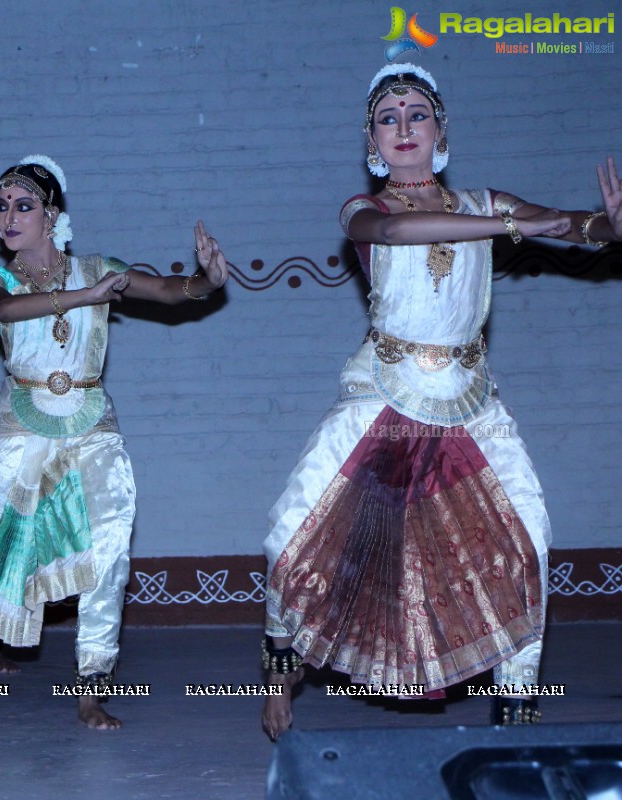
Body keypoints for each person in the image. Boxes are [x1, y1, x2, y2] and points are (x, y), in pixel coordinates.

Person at [260, 64, 622, 742]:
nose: (403, 126)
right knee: (288, 535)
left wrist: (607, 226)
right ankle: (280, 677)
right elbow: (396, 235)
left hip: (470, 400)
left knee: (528, 546)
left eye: (416, 113)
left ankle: (515, 718)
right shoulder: (361, 211)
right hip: (384, 393)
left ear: (440, 131)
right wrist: (516, 224)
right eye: (387, 118)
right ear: (372, 142)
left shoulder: (485, 201)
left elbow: (574, 226)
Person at [0, 155, 228, 729]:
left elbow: (169, 291)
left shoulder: (98, 267)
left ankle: (92, 682)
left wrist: (206, 281)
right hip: (20, 422)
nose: (9, 217)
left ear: (51, 214)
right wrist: (86, 297)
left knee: (109, 547)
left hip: (92, 423)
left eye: (24, 206)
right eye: (3, 206)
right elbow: (3, 311)